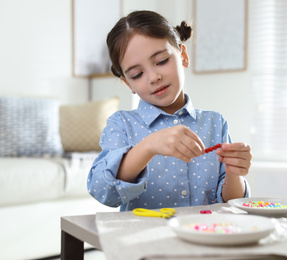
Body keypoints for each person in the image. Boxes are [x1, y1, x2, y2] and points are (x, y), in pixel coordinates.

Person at [87, 10, 252, 211]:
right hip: (147, 239)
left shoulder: (215, 123)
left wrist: (235, 173)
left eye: (161, 61)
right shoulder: (121, 124)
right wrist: (147, 146)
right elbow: (102, 190)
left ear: (183, 55)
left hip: (206, 237)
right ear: (128, 83)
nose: (153, 77)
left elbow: (229, 202)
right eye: (137, 74)